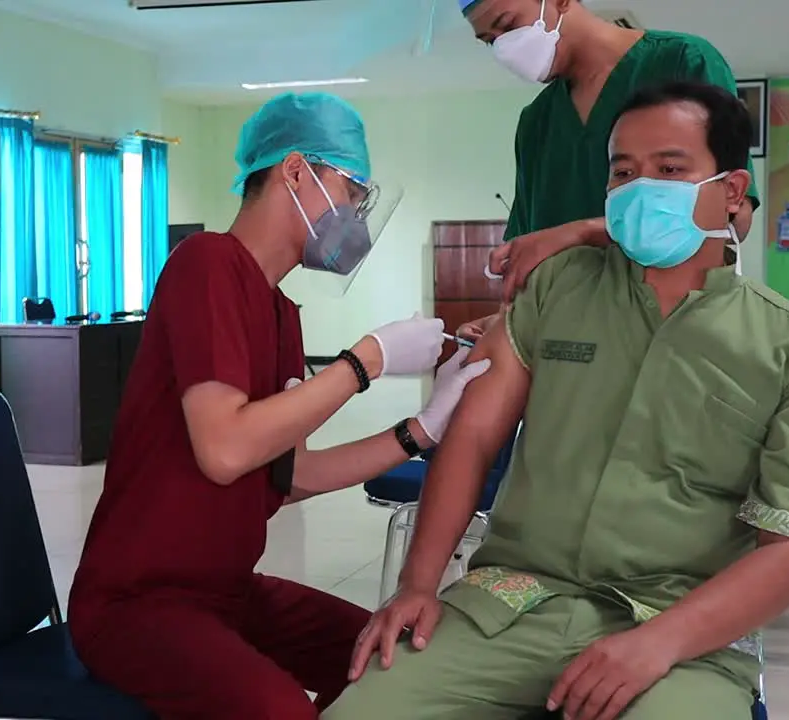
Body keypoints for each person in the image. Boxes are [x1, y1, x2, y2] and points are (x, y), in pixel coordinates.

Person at [327, 81, 789, 720]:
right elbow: (471, 438)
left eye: (669, 169)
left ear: (732, 191)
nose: (639, 188)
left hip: (679, 632)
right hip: (511, 603)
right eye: (623, 172)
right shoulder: (557, 291)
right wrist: (416, 584)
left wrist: (658, 643)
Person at [68, 92, 491, 720]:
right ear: (295, 171)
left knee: (390, 660)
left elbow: (291, 475)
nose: (356, 215)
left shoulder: (278, 311)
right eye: (353, 192)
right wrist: (367, 358)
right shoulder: (206, 264)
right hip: (139, 603)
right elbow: (226, 449)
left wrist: (424, 428)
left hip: (226, 593)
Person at [455, 0, 760, 338]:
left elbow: (734, 217)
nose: (503, 47)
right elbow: (529, 256)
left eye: (508, 24)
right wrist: (508, 324)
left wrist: (581, 233)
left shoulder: (681, 61)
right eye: (488, 40)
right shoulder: (536, 122)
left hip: (672, 334)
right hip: (568, 345)